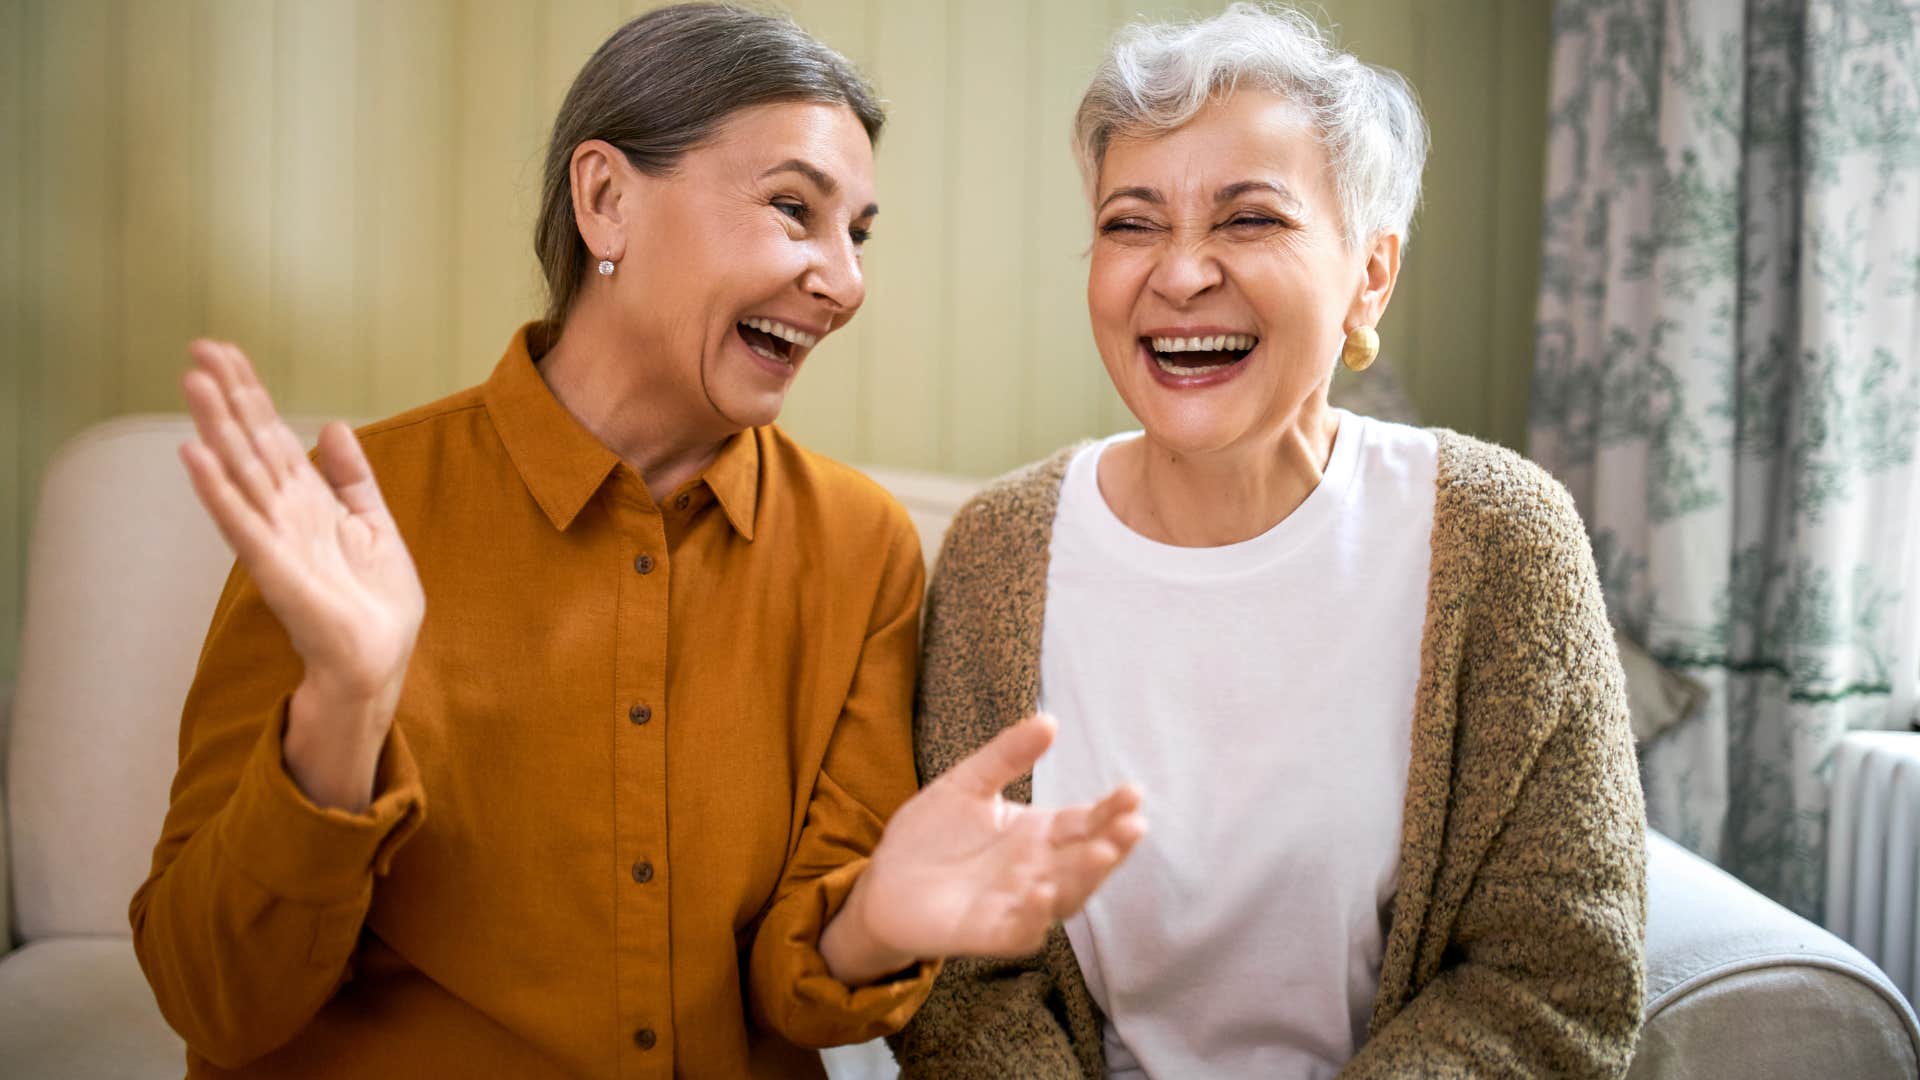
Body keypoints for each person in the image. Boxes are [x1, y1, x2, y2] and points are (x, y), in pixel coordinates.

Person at [128, 5, 1144, 1077]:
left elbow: (803, 996)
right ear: (606, 201)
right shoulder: (352, 519)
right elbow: (214, 1001)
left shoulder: (862, 549)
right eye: (793, 208)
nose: (843, 281)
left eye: (859, 233)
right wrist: (342, 704)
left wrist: (881, 918)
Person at [890, 5, 1647, 1078]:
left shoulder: (1501, 539)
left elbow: (1556, 979)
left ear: (1369, 274)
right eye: (1132, 223)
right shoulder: (1000, 550)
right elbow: (964, 986)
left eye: (1249, 220)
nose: (1181, 273)